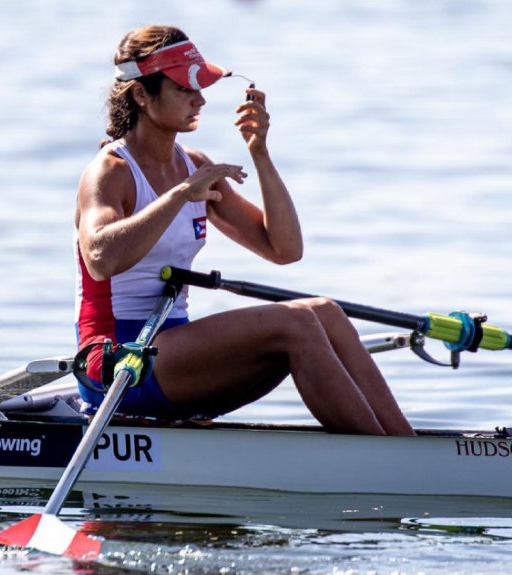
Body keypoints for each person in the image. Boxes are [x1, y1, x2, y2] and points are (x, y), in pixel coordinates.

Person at [74, 25, 414, 436]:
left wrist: (259, 152)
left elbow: (284, 249)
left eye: (199, 88)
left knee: (325, 312)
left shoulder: (195, 166)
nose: (200, 99)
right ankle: (382, 457)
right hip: (117, 362)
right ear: (142, 95)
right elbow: (101, 260)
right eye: (183, 88)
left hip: (171, 351)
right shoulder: (110, 171)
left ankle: (404, 444)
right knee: (296, 323)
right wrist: (180, 195)